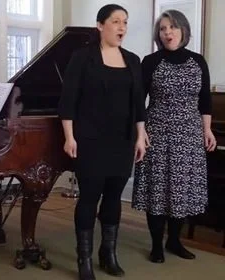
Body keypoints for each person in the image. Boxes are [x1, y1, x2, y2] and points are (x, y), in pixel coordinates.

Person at [58, 4, 147, 279]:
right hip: (90, 140)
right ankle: (83, 259)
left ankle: (108, 253)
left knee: (113, 199)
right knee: (89, 198)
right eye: (116, 21)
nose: (122, 27)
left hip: (122, 140)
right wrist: (69, 137)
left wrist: (141, 135)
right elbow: (68, 100)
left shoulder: (133, 60)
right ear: (100, 25)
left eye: (125, 22)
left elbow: (138, 103)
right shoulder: (82, 57)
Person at [132, 10, 216, 264]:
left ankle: (175, 240)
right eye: (163, 28)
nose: (167, 32)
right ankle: (157, 244)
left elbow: (205, 101)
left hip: (189, 134)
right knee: (157, 190)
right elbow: (138, 101)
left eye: (172, 27)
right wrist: (140, 132)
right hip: (157, 132)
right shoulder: (151, 61)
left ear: (183, 30)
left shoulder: (198, 61)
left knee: (182, 190)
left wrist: (207, 129)